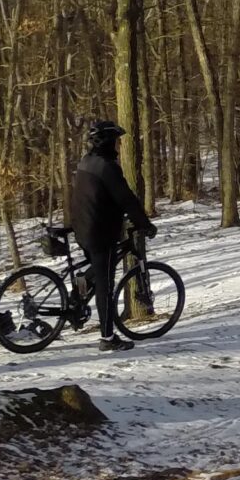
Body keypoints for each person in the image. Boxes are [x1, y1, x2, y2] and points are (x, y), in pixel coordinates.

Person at [68, 119, 155, 352]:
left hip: (83, 229)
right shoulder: (108, 168)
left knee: (98, 271)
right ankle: (107, 338)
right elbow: (126, 198)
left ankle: (83, 283)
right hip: (100, 234)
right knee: (106, 286)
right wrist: (144, 224)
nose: (118, 146)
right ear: (107, 142)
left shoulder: (86, 161)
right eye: (116, 141)